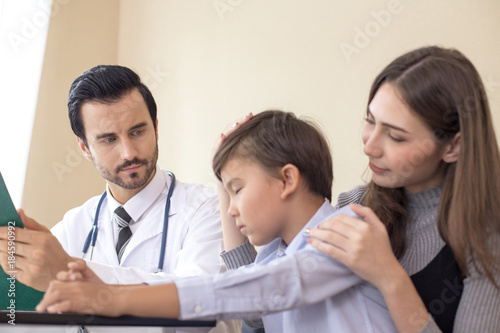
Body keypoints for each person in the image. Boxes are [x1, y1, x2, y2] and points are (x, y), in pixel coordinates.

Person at [36, 110, 397, 333]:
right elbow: (251, 292)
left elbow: (240, 290)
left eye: (237, 190)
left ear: (287, 180)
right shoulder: (277, 253)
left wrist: (112, 299)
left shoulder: (346, 231)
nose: (231, 209)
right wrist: (227, 181)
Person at [0, 65, 239, 333]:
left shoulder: (206, 210)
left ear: (156, 128)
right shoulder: (73, 226)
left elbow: (201, 308)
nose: (128, 153)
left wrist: (72, 272)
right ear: (84, 148)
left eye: (137, 132)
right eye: (109, 139)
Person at [304, 46, 500, 333]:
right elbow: (263, 313)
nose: (369, 146)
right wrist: (228, 182)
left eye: (395, 136)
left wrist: (389, 276)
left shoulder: (488, 240)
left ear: (453, 146)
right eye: (370, 121)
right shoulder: (358, 204)